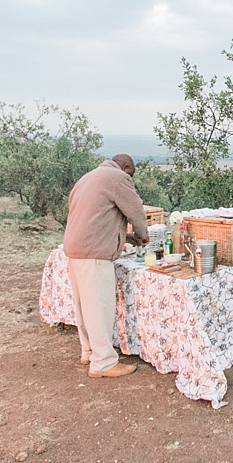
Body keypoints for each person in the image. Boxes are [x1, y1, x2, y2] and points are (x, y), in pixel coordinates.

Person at [63, 154, 149, 378]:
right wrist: (142, 233)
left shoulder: (87, 178)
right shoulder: (118, 178)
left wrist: (126, 239)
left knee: (84, 305)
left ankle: (88, 351)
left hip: (75, 248)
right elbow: (135, 210)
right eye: (130, 174)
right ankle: (103, 363)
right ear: (126, 167)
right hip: (94, 252)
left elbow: (99, 218)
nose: (129, 178)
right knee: (99, 307)